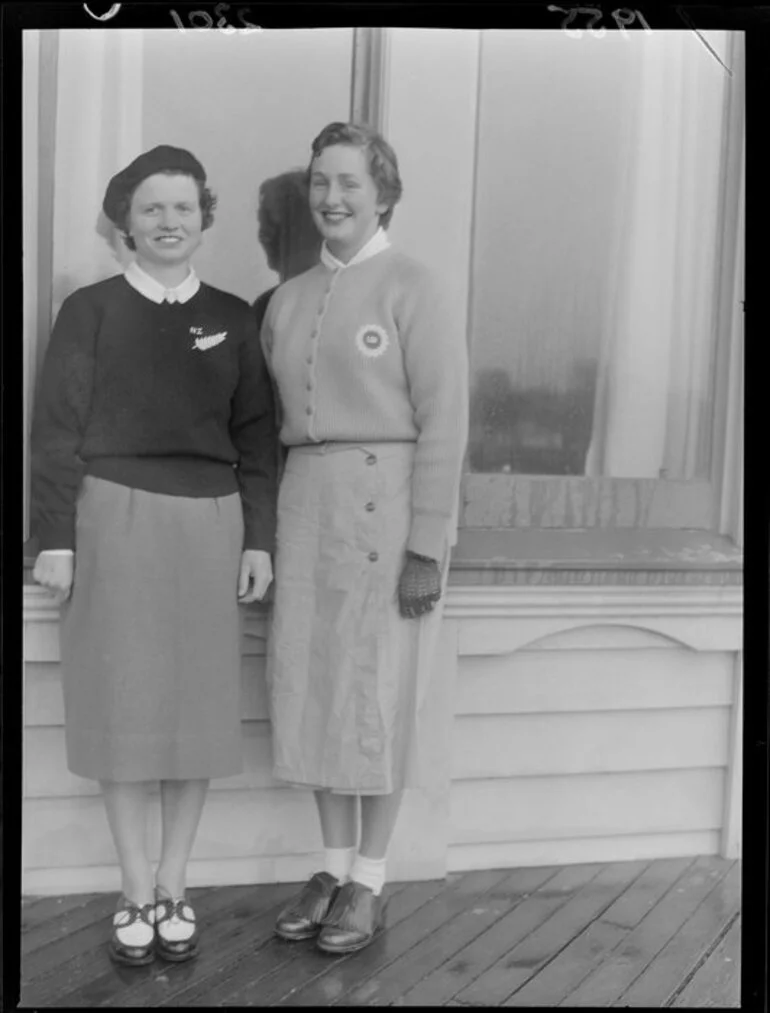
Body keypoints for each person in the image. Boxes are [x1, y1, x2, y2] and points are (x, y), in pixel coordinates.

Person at [30, 145, 277, 967]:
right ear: (124, 224)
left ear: (203, 216)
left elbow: (255, 441)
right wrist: (56, 537)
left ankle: (177, 881)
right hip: (112, 518)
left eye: (183, 208)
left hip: (210, 524)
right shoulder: (90, 311)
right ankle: (134, 887)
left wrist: (260, 539)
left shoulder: (236, 317)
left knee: (195, 711)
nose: (169, 222)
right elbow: (56, 431)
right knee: (126, 707)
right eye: (151, 210)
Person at [260, 121, 469, 954]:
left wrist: (427, 544)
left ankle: (372, 880)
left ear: (383, 194)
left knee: (377, 691)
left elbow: (447, 421)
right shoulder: (286, 299)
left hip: (390, 507)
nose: (331, 198)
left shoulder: (415, 285)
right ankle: (333, 865)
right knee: (312, 683)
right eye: (319, 183)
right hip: (308, 501)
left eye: (349, 183)